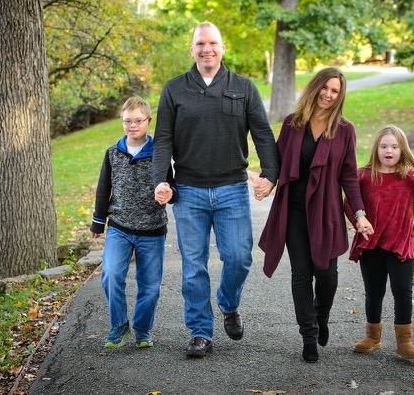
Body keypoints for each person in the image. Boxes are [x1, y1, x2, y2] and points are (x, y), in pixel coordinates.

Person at [152, 21, 279, 358]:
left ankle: (228, 303)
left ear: (223, 47)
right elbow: (162, 138)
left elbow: (263, 134)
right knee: (194, 266)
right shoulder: (175, 89)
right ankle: (199, 332)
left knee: (239, 257)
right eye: (200, 44)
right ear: (192, 49)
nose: (207, 49)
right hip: (189, 191)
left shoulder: (243, 87)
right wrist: (161, 180)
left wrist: (270, 175)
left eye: (213, 43)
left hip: (232, 189)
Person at [258, 67, 374, 363]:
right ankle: (308, 335)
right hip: (294, 209)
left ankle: (321, 315)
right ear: (315, 87)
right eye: (325, 88)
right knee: (301, 273)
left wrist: (359, 213)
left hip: (327, 210)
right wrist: (266, 181)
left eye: (335, 91)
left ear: (340, 96)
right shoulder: (293, 123)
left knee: (327, 274)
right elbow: (277, 161)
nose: (328, 94)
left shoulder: (344, 130)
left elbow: (349, 177)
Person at [91, 96, 175, 349]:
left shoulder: (159, 153)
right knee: (111, 275)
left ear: (148, 121)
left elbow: (172, 186)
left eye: (138, 121)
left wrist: (169, 193)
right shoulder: (113, 152)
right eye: (127, 121)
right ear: (122, 122)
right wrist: (98, 222)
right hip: (120, 227)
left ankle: (142, 330)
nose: (132, 126)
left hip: (152, 229)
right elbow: (103, 188)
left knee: (149, 286)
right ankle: (118, 325)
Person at [345, 124, 414, 360]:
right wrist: (359, 222)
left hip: (401, 243)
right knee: (373, 292)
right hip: (371, 243)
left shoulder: (411, 176)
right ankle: (372, 336)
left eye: (394, 147)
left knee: (402, 291)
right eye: (384, 146)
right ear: (376, 149)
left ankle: (404, 340)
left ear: (402, 149)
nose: (389, 150)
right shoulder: (364, 175)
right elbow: (351, 204)